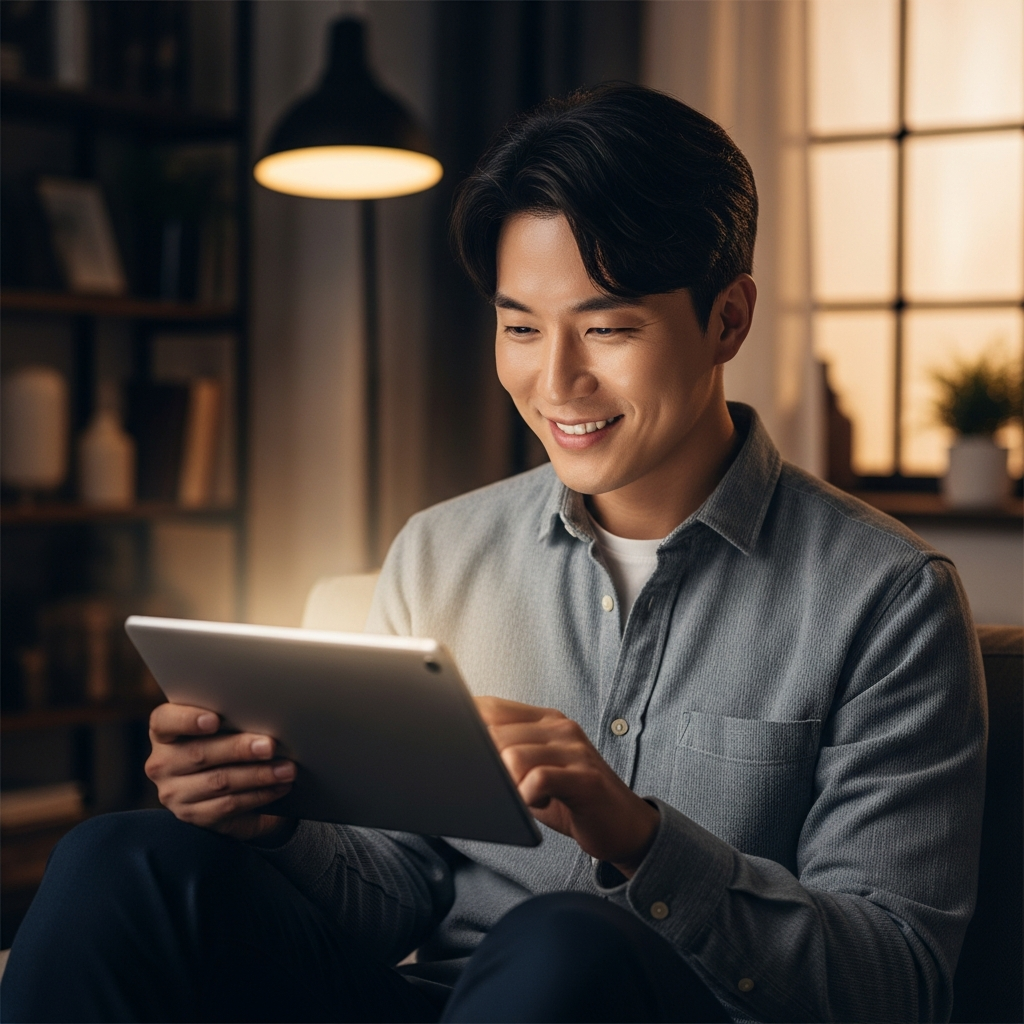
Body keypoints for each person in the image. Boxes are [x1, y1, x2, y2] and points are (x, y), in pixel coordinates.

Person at [2, 84, 985, 1024]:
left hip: (654, 1004)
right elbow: (393, 889)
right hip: (441, 1002)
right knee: (115, 859)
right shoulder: (441, 551)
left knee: (563, 943)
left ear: (726, 317)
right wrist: (268, 814)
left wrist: (642, 841)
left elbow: (893, 985)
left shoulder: (886, 600)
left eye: (605, 326)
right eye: (520, 326)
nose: (555, 379)